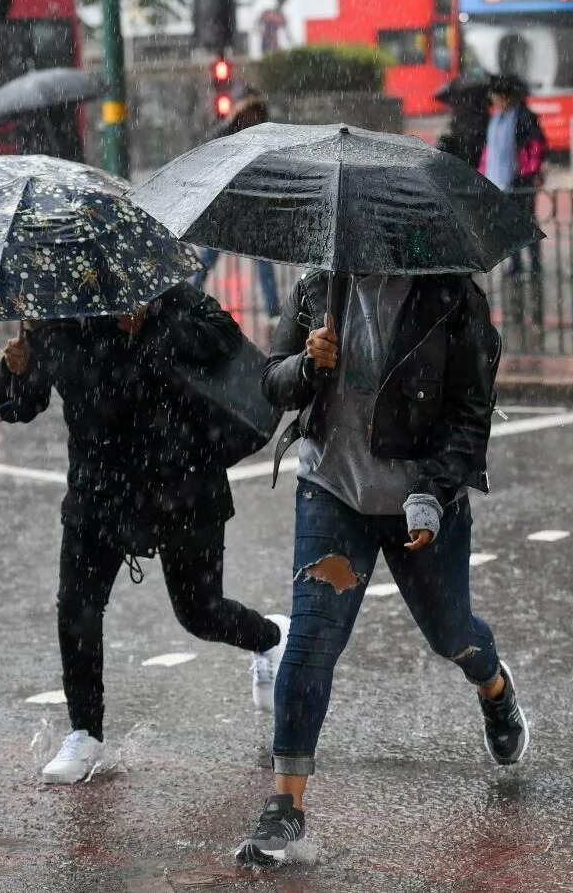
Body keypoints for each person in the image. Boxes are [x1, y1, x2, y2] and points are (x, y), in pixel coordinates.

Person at [234, 271, 527, 864]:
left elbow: (471, 413)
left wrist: (434, 491)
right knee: (312, 638)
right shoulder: (319, 285)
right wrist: (306, 365)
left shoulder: (453, 296)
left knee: (450, 634)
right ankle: (286, 806)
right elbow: (272, 381)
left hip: (422, 501)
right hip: (332, 490)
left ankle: (494, 687)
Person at [0, 284, 289, 784]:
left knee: (199, 612)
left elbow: (224, 338)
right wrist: (15, 371)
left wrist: (152, 324)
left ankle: (271, 637)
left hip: (183, 484)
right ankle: (85, 733)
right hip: (98, 491)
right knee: (77, 607)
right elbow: (21, 406)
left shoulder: (164, 293)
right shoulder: (58, 316)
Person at [193, 88, 282, 317]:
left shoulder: (263, 135)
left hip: (251, 208)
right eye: (247, 111)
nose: (251, 116)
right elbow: (209, 154)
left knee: (262, 260)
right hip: (226, 209)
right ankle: (191, 297)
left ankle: (273, 309)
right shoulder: (226, 132)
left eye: (255, 112)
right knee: (209, 258)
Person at [479, 75, 546, 274]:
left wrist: (532, 170)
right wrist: (482, 172)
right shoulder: (496, 119)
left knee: (526, 220)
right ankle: (515, 263)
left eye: (496, 96)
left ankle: (534, 264)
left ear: (506, 97)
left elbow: (536, 146)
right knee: (508, 220)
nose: (494, 100)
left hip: (521, 178)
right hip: (500, 180)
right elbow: (489, 151)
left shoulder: (524, 117)